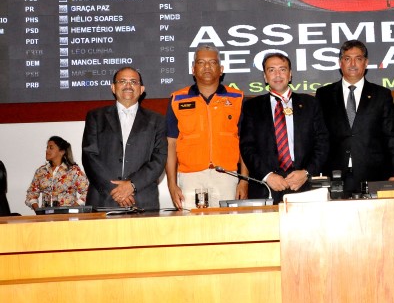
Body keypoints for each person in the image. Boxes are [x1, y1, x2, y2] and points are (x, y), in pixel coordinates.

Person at [166, 45, 248, 209]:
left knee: (227, 230)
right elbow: (171, 144)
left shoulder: (237, 99)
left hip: (227, 177)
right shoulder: (177, 99)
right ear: (193, 69)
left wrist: (244, 181)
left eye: (212, 62)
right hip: (189, 178)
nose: (207, 67)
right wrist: (172, 184)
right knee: (192, 230)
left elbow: (244, 142)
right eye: (201, 62)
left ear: (221, 69)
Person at [316, 40, 394, 195]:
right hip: (334, 175)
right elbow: (318, 137)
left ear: (366, 62)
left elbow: (392, 137)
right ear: (340, 62)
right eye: (347, 58)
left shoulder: (381, 95)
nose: (353, 63)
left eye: (358, 58)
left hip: (374, 174)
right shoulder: (324, 95)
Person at [240, 52, 328, 203]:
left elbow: (322, 142)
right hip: (266, 186)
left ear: (290, 74)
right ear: (265, 77)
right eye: (271, 70)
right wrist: (268, 176)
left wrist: (306, 172)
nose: (277, 75)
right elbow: (247, 147)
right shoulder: (252, 107)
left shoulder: (310, 104)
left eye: (282, 69)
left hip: (303, 185)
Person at [82, 67, 168, 210]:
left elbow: (159, 159)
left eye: (133, 82)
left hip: (142, 199)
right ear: (113, 88)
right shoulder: (96, 117)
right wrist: (115, 190)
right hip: (104, 198)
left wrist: (132, 185)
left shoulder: (157, 120)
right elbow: (89, 156)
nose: (128, 85)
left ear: (141, 89)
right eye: (122, 81)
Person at [25, 136, 89, 210]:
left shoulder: (73, 171)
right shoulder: (41, 171)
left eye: (51, 148)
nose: (47, 150)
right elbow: (31, 193)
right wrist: (38, 211)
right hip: (46, 217)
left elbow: (87, 192)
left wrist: (72, 208)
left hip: (68, 218)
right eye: (47, 147)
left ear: (62, 152)